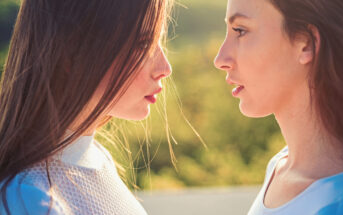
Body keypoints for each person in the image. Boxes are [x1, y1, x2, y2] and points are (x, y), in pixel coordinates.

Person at [0, 0, 173, 214]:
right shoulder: (30, 197)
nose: (165, 68)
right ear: (72, 50)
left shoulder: (96, 158)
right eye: (143, 44)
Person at [214, 0, 343, 214]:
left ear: (305, 44)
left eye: (240, 31)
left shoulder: (335, 202)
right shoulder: (278, 166)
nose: (220, 59)